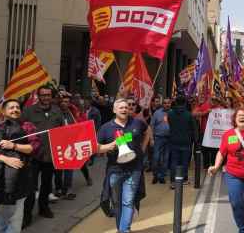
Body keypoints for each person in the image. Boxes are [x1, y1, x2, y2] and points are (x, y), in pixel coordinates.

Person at [0, 99, 40, 233]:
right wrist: (5, 159)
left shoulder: (27, 127)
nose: (15, 110)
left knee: (14, 216)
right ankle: (5, 229)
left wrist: (13, 145)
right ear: (3, 111)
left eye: (17, 107)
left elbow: (34, 147)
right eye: (11, 107)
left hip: (19, 177)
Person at [97, 99, 148, 233]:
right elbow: (96, 148)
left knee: (128, 201)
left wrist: (142, 148)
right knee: (117, 203)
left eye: (126, 107)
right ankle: (122, 228)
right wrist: (110, 145)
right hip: (115, 170)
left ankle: (124, 230)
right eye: (121, 108)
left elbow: (148, 131)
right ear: (114, 110)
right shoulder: (106, 128)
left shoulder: (137, 122)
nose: (124, 109)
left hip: (134, 169)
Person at [21, 85, 64, 226]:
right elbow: (21, 131)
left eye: (48, 95)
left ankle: (43, 208)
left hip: (50, 156)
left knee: (46, 185)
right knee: (30, 188)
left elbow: (62, 131)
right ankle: (26, 215)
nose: (46, 98)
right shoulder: (28, 111)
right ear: (38, 96)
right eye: (43, 95)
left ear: (52, 97)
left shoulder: (57, 111)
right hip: (33, 157)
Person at [54, 93, 92, 200]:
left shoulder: (74, 113)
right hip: (59, 145)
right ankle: (58, 188)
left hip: (71, 145)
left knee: (70, 167)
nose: (64, 104)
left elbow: (81, 125)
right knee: (58, 169)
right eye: (62, 102)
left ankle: (68, 189)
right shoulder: (56, 113)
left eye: (66, 102)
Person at [168, 96, 196, 188]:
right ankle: (184, 179)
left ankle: (173, 181)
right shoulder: (189, 115)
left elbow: (170, 124)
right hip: (186, 141)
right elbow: (194, 128)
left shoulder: (170, 114)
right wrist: (196, 140)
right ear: (185, 103)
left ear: (175, 102)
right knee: (184, 161)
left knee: (174, 161)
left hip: (173, 140)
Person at [150, 98, 172, 184]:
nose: (167, 104)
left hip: (169, 139)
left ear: (170, 104)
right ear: (163, 104)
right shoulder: (157, 113)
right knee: (156, 157)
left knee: (165, 159)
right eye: (165, 103)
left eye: (168, 103)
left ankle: (162, 176)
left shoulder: (172, 113)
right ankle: (155, 175)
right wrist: (151, 139)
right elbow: (151, 126)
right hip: (158, 138)